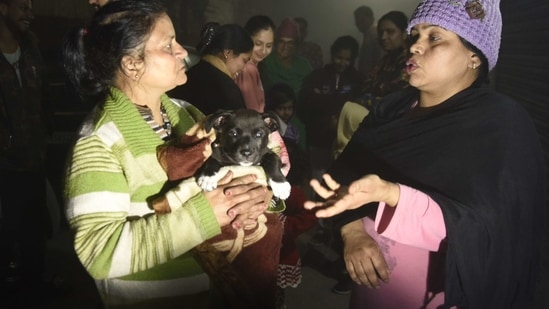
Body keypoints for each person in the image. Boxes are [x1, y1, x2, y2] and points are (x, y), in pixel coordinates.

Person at [304, 0, 544, 308]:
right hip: (371, 291)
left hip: (437, 294)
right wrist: (352, 232)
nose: (415, 46)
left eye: (434, 37)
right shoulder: (390, 111)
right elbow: (342, 179)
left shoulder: (500, 125)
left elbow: (483, 231)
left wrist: (392, 194)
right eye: (414, 35)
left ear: (473, 57)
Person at [62, 1, 272, 308]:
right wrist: (204, 215)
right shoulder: (98, 142)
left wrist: (258, 194)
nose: (183, 52)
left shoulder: (188, 115)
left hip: (207, 287)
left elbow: (239, 166)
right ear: (132, 63)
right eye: (168, 45)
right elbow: (99, 252)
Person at [0, 0, 58, 306]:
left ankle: (35, 285)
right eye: (23, 7)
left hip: (34, 154)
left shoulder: (30, 45)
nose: (30, 14)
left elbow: (43, 94)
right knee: (7, 228)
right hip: (4, 163)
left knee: (35, 224)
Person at [265, 82, 317, 308]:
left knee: (276, 294)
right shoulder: (264, 188)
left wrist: (286, 226)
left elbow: (309, 216)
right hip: (261, 255)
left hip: (283, 255)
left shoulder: (294, 194)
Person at [333, 10, 410, 158]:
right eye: (381, 33)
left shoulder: (410, 61)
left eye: (390, 32)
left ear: (404, 33)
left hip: (393, 127)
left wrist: (364, 101)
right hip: (374, 120)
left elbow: (397, 100)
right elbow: (367, 87)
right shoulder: (384, 62)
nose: (383, 37)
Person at [298, 35, 363, 182]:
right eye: (339, 58)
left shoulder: (358, 80)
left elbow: (358, 108)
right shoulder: (317, 76)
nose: (342, 63)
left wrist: (324, 100)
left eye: (347, 60)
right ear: (332, 55)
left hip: (345, 144)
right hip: (318, 140)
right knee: (318, 180)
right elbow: (305, 105)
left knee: (341, 181)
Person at [168, 22, 252, 115]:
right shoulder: (228, 90)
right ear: (228, 53)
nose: (244, 69)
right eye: (244, 60)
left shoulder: (187, 76)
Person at [259, 17, 312, 152]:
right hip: (270, 119)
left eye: (290, 43)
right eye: (281, 42)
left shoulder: (304, 66)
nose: (285, 47)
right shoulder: (266, 62)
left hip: (296, 119)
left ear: (297, 45)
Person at [235, 15, 276, 113]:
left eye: (269, 46)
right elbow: (253, 112)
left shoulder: (253, 67)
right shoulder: (248, 69)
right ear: (247, 38)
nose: (263, 51)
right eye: (258, 44)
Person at [354, 5, 383, 76]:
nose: (359, 24)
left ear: (371, 18)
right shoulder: (369, 33)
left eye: (362, 20)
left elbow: (378, 59)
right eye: (357, 21)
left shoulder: (374, 33)